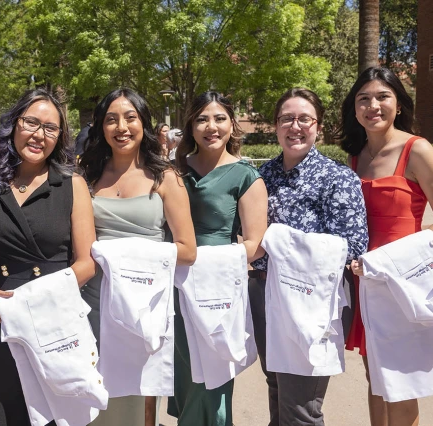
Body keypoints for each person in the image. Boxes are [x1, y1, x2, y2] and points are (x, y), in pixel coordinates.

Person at [0, 88, 97, 426]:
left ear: (60, 137)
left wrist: (36, 301)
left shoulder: (71, 184)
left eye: (51, 128)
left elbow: (86, 263)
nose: (39, 135)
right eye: (31, 123)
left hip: (54, 322)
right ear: (14, 124)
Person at [249, 88, 368, 425]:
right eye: (287, 118)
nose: (295, 126)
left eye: (304, 119)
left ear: (318, 126)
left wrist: (279, 242)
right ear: (276, 126)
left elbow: (352, 245)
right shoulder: (262, 176)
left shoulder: (337, 178)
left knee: (301, 408)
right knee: (277, 388)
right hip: (263, 294)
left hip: (313, 304)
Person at [79, 88, 196, 426]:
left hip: (143, 307)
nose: (122, 126)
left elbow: (187, 250)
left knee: (136, 402)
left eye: (130, 117)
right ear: (101, 127)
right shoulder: (85, 177)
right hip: (94, 306)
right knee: (94, 400)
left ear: (144, 123)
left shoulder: (165, 177)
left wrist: (126, 255)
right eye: (112, 119)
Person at [339, 67, 433, 426]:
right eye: (363, 98)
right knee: (375, 379)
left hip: (404, 281)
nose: (372, 105)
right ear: (354, 108)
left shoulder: (418, 149)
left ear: (398, 103)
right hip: (365, 283)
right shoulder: (353, 157)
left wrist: (401, 261)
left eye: (382, 97)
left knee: (401, 383)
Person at [170, 91, 268, 426]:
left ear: (231, 124)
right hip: (174, 290)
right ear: (191, 126)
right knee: (184, 378)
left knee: (211, 380)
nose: (211, 127)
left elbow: (257, 244)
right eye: (202, 119)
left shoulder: (245, 176)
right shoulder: (172, 172)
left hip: (217, 292)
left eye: (219, 118)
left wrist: (212, 263)